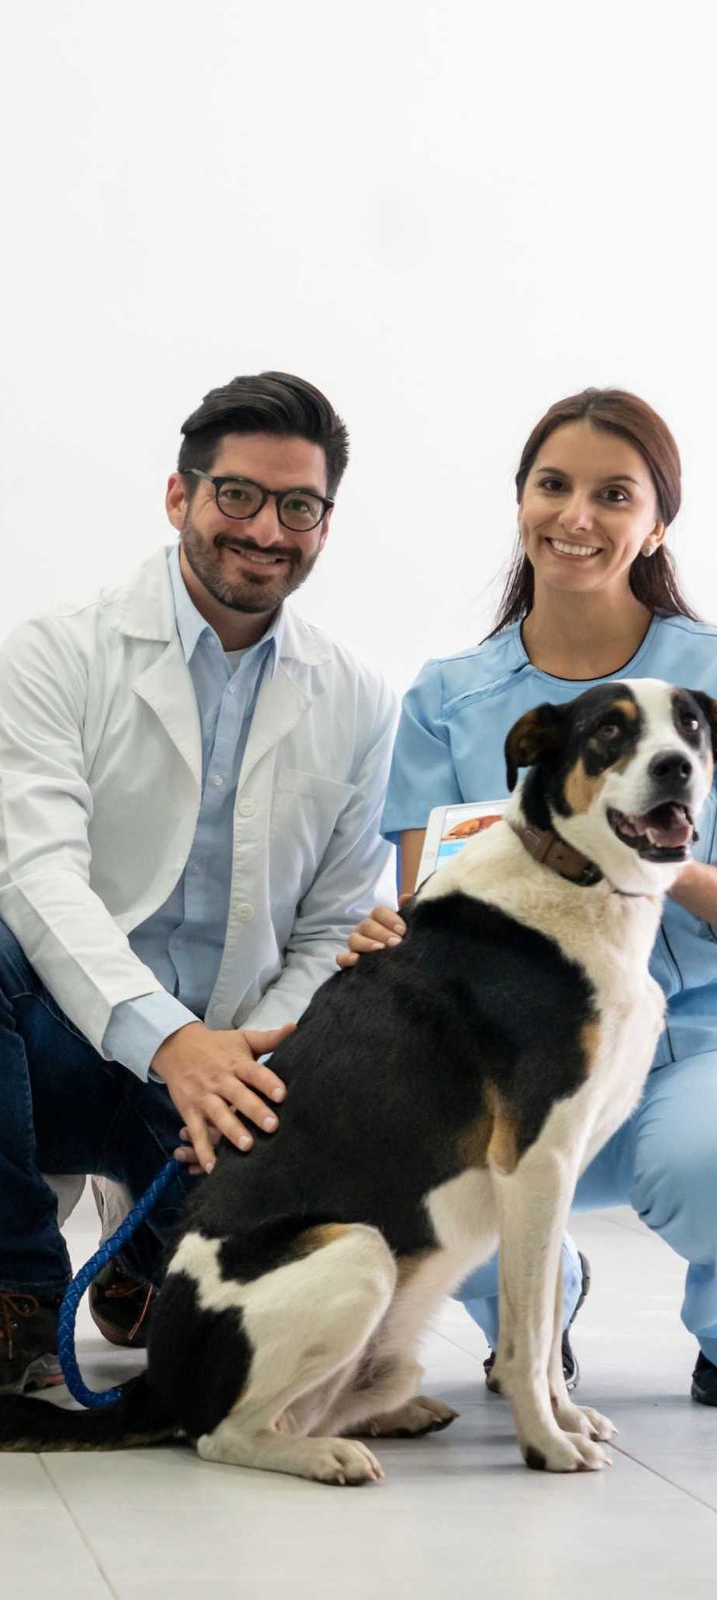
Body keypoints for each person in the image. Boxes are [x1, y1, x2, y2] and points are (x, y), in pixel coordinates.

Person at [0, 372, 398, 1393]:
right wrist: (170, 1042)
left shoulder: (358, 696)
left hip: (236, 1064)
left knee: (207, 1319)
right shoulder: (59, 650)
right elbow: (35, 877)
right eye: (237, 495)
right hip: (62, 1049)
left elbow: (333, 920)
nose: (266, 528)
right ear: (180, 496)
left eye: (300, 506)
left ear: (325, 524)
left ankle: (143, 1256)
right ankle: (19, 1290)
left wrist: (247, 1053)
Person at [350, 387, 717, 1406]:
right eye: (552, 486)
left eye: (614, 494)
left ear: (655, 524)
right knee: (438, 1172)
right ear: (519, 502)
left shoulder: (708, 683)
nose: (576, 517)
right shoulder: (450, 697)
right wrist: (392, 925)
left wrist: (642, 859)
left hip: (692, 1039)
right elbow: (429, 898)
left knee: (709, 1164)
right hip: (510, 1048)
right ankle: (531, 1312)